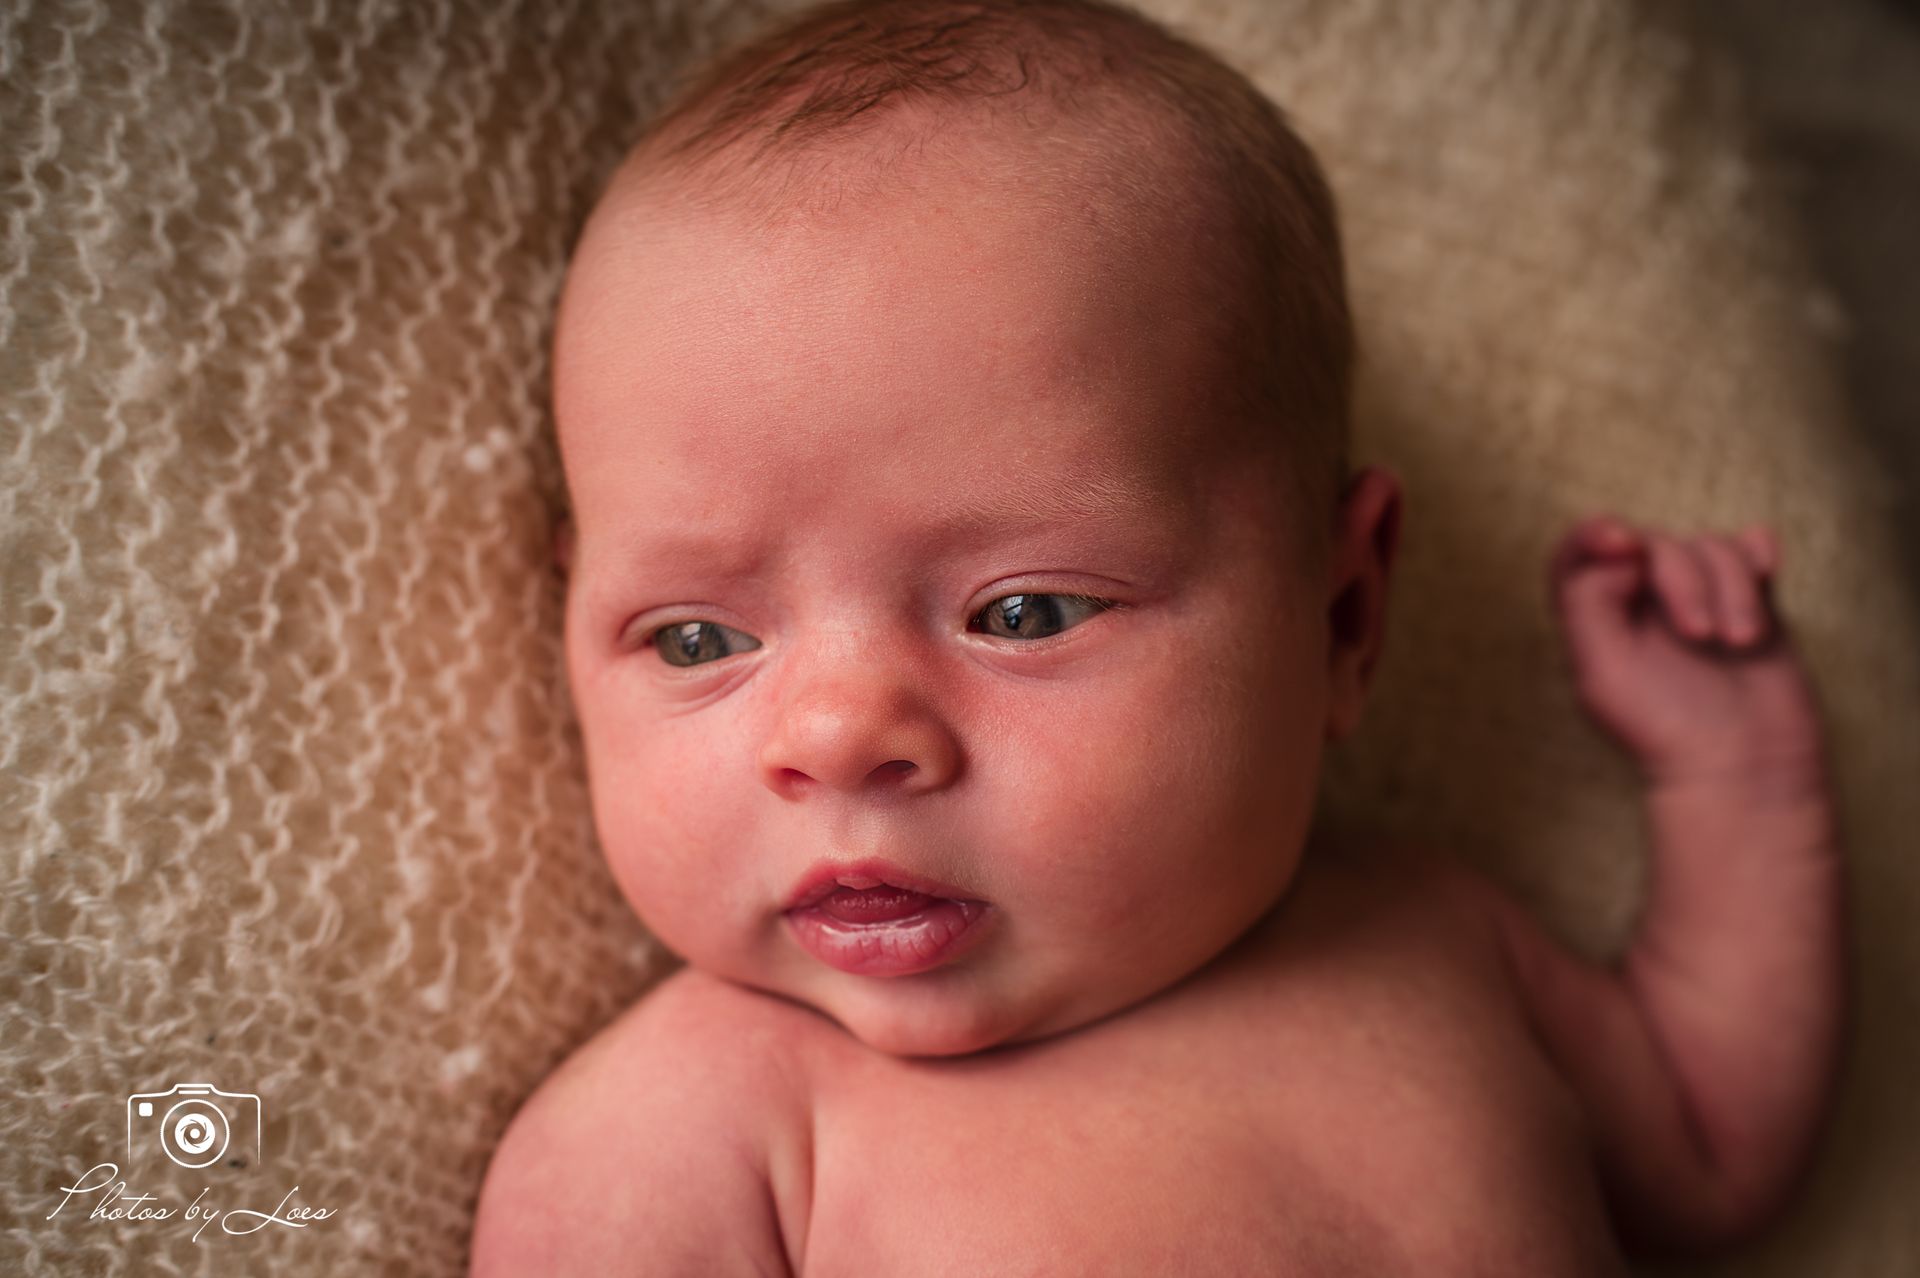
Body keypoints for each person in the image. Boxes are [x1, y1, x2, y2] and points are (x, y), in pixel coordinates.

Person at [470, 0, 1844, 1271]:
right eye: (697, 640)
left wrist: (1738, 781)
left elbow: (1710, 1149)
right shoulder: (682, 1139)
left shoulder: (1433, 940)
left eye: (1023, 613)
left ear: (1343, 618)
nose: (835, 737)